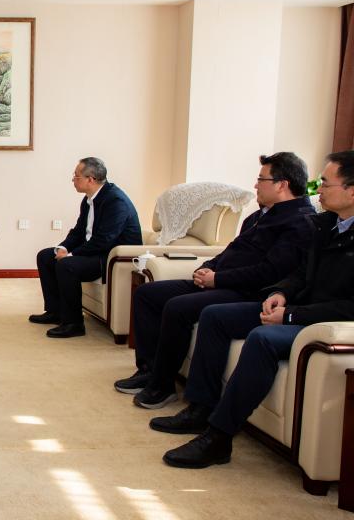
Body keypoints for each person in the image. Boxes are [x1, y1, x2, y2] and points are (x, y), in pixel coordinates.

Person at [154, 151, 354, 469]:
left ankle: (218, 438)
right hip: (296, 309)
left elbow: (348, 307)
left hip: (322, 323)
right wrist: (280, 293)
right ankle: (200, 408)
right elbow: (301, 273)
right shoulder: (326, 224)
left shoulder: (311, 224)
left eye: (326, 184)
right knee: (215, 316)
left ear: (352, 191)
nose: (318, 190)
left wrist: (291, 316)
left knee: (262, 339)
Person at [115, 152, 315, 409]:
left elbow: (269, 273)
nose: (255, 185)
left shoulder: (300, 222)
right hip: (220, 281)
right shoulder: (259, 216)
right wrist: (207, 268)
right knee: (148, 294)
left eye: (261, 179)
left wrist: (217, 279)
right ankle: (149, 370)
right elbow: (231, 251)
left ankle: (162, 386)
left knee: (177, 307)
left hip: (247, 292)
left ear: (282, 184)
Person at [30, 157, 142, 337]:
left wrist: (71, 255)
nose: (73, 180)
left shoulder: (116, 201)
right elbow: (79, 231)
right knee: (45, 256)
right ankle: (55, 312)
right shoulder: (88, 200)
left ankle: (74, 323)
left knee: (67, 265)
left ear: (90, 179)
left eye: (76, 176)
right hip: (94, 251)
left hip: (110, 257)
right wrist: (63, 248)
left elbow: (104, 240)